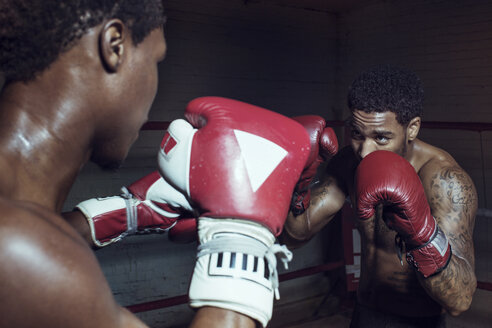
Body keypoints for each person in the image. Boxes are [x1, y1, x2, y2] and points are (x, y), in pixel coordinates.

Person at [0, 1, 325, 327]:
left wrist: (129, 212)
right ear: (115, 46)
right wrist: (240, 241)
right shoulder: (20, 249)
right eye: (156, 61)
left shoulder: (21, 225)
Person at [282, 65, 478, 327]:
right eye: (356, 135)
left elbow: (460, 300)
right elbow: (295, 236)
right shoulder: (348, 163)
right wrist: (298, 185)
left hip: (418, 322)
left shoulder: (444, 181)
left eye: (382, 138)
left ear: (412, 128)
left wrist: (422, 236)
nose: (365, 151)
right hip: (364, 313)